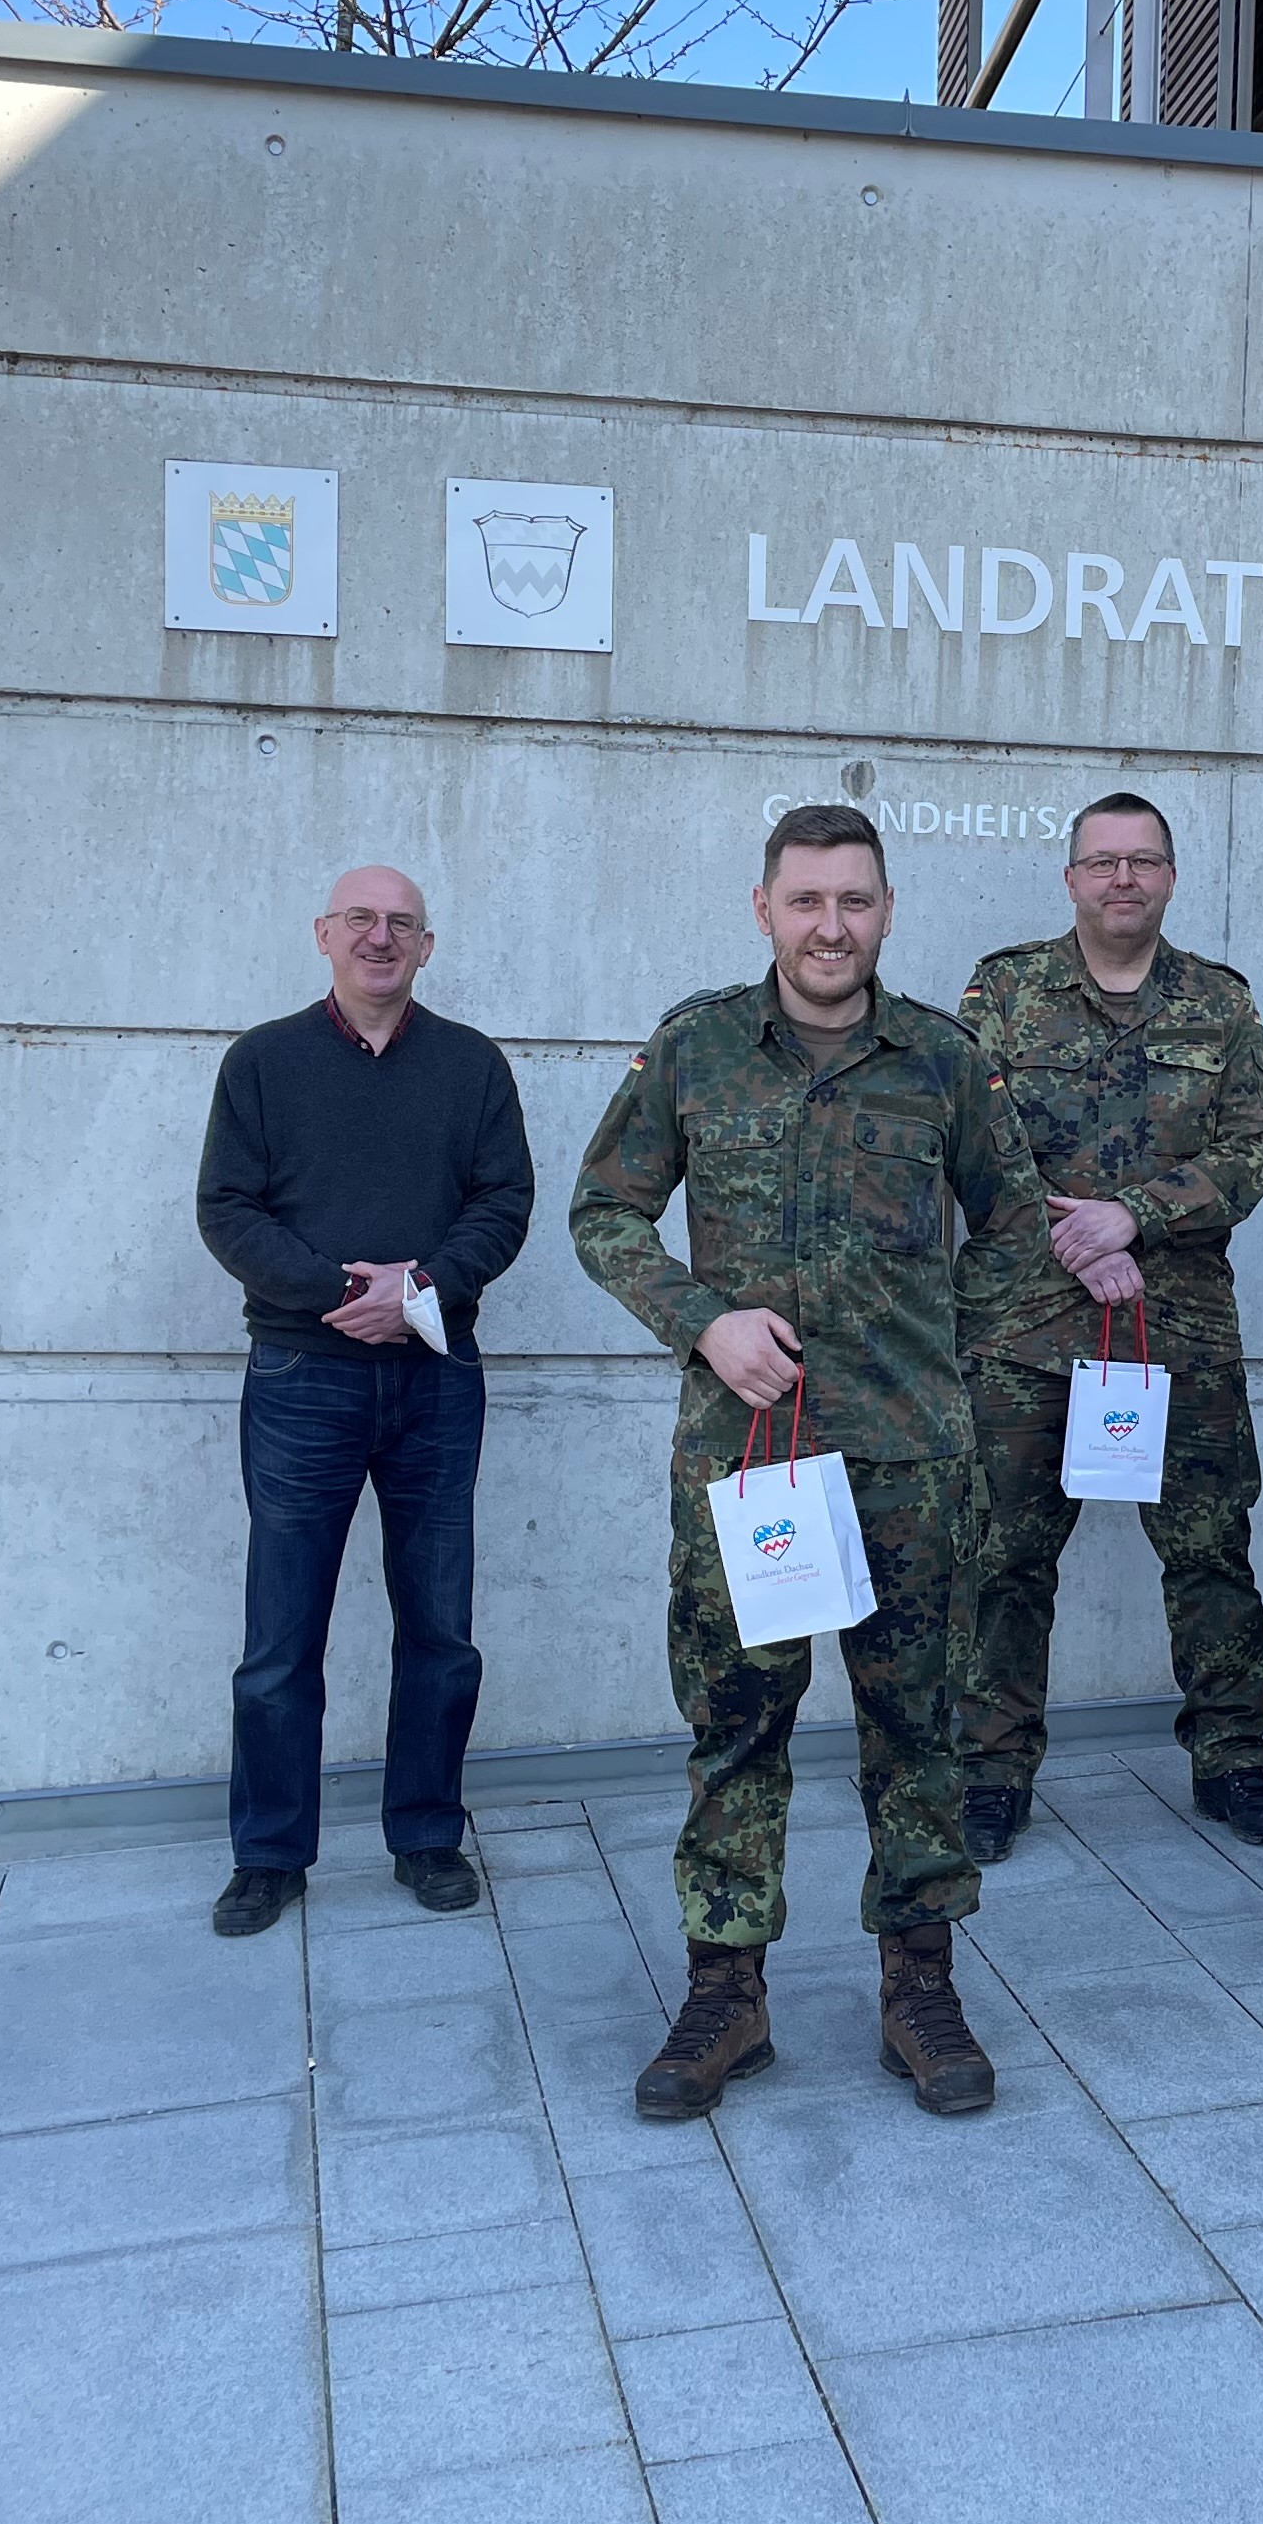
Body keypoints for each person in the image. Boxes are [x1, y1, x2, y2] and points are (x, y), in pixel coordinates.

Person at [571, 804, 1046, 2119]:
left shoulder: (946, 1063)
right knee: (737, 1730)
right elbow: (604, 1210)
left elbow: (1015, 1227)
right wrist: (702, 1321)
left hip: (911, 1460)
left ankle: (921, 1987)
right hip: (749, 1462)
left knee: (921, 1732)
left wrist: (941, 1341)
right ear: (764, 908)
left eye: (855, 901)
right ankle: (727, 1994)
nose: (829, 926)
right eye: (806, 901)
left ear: (886, 912)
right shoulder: (697, 1048)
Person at [193, 865, 537, 1937]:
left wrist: (421, 1292)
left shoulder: (471, 1067)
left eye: (402, 924)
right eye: (360, 921)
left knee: (440, 1627)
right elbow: (227, 1211)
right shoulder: (261, 1063)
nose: (380, 938)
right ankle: (269, 1855)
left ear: (426, 947)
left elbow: (505, 1201)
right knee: (280, 1634)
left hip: (437, 1377)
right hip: (304, 1378)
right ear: (324, 936)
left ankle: (428, 1833)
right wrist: (344, 1293)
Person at [954, 793, 1263, 1862]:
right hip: (1021, 1328)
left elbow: (1253, 1147)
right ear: (1071, 880)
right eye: (1102, 861)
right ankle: (991, 1771)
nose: (1122, 879)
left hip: (1175, 1326)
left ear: (1170, 878)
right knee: (1003, 1557)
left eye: (1143, 861)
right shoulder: (1004, 990)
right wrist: (1076, 1243)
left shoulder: (1220, 1005)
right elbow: (967, 1137)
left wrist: (1133, 1220)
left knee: (1208, 1553)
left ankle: (1233, 1758)